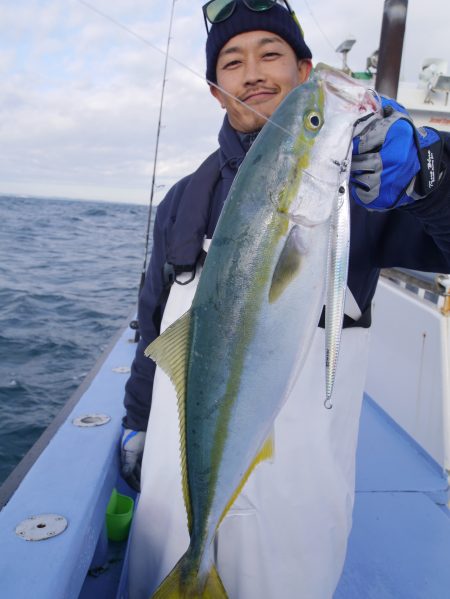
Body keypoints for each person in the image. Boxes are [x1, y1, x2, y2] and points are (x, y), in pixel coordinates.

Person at [120, 1, 450, 598]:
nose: (252, 72)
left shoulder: (365, 199)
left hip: (295, 516)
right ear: (218, 92)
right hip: (177, 493)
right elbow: (153, 332)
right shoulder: (183, 202)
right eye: (232, 61)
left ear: (304, 73)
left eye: (271, 54)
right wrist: (136, 425)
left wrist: (431, 175)